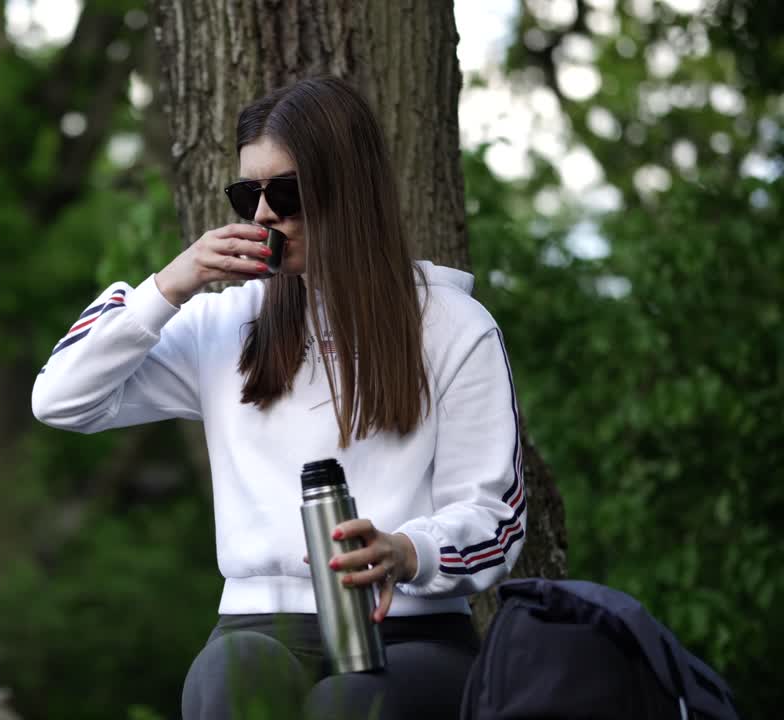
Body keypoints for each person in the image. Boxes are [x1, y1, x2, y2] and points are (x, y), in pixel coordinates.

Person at [31, 75, 525, 719]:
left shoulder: (454, 326)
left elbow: (496, 516)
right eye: (248, 195)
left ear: (349, 191)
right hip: (257, 626)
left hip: (411, 628)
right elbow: (61, 399)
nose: (263, 215)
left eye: (285, 193)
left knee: (350, 704)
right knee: (230, 676)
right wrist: (170, 285)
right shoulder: (223, 324)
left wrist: (407, 551)